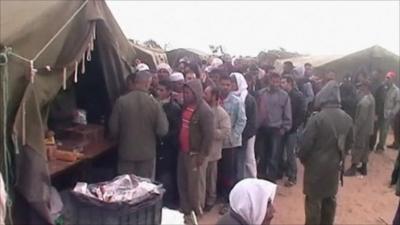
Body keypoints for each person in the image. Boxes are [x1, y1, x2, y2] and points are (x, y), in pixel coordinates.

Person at [298, 80, 353, 225]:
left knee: (313, 203)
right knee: (330, 200)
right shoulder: (347, 118)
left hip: (315, 167)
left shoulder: (317, 118)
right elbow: (349, 143)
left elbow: (305, 145)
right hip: (334, 166)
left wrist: (304, 160)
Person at [109, 71, 169, 179]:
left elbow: (113, 129)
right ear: (147, 83)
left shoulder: (121, 101)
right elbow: (162, 130)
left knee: (125, 189)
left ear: (135, 82)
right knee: (145, 190)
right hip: (147, 156)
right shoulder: (154, 104)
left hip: (126, 153)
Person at [177, 79, 214, 224]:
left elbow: (209, 136)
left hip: (195, 154)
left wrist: (202, 155)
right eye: (184, 92)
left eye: (188, 92)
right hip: (183, 152)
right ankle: (186, 210)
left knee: (196, 187)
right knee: (183, 182)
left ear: (196, 93)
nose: (185, 95)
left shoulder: (205, 111)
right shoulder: (185, 107)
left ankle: (197, 213)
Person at [218, 74, 247, 215]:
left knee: (228, 172)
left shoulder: (236, 101)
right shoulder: (214, 99)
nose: (225, 87)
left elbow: (242, 120)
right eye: (222, 84)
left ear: (232, 86)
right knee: (217, 170)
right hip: (216, 142)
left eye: (227, 85)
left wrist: (233, 137)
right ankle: (219, 196)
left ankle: (227, 200)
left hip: (230, 143)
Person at [257, 72, 292, 182]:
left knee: (274, 156)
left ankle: (271, 180)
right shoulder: (261, 94)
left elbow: (287, 113)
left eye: (277, 82)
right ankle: (261, 178)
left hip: (276, 130)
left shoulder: (284, 96)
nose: (275, 84)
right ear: (268, 80)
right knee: (262, 155)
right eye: (273, 81)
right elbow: (256, 111)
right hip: (262, 129)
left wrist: (284, 128)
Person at [203, 85, 231, 212]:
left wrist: (210, 132)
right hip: (201, 151)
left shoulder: (221, 113)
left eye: (207, 94)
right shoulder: (202, 109)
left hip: (213, 152)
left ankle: (210, 200)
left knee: (210, 179)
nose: (204, 95)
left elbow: (225, 132)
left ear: (214, 97)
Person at [155, 80, 181, 207]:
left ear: (169, 92)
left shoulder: (173, 108)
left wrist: (163, 136)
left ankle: (169, 202)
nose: (159, 92)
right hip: (159, 147)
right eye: (158, 89)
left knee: (167, 175)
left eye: (162, 90)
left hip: (168, 147)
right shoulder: (156, 104)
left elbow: (176, 130)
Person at [344, 81, 375, 176]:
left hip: (362, 129)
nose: (360, 88)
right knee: (365, 148)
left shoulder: (365, 101)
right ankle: (364, 167)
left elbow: (361, 118)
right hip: (368, 128)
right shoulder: (371, 97)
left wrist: (355, 130)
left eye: (361, 86)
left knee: (357, 147)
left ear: (366, 87)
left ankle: (353, 167)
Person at [230, 72, 258, 180]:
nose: (232, 85)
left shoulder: (248, 99)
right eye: (231, 82)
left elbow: (252, 121)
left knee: (249, 158)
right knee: (237, 160)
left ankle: (252, 179)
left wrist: (244, 134)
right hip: (235, 134)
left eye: (234, 83)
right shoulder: (231, 97)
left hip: (247, 134)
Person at [281, 76, 306, 187]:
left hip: (292, 129)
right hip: (283, 128)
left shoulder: (298, 96)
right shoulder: (283, 95)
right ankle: (284, 171)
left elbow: (301, 114)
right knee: (283, 152)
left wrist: (293, 127)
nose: (281, 84)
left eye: (283, 82)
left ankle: (292, 176)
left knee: (291, 153)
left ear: (289, 83)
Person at [376, 71, 400, 153]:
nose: (387, 79)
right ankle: (372, 144)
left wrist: (393, 112)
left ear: (393, 79)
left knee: (384, 131)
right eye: (386, 77)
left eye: (389, 78)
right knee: (376, 129)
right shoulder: (382, 87)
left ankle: (380, 146)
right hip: (379, 112)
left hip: (387, 113)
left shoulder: (396, 90)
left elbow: (398, 103)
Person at [369, 69, 387, 151]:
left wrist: (377, 113)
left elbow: (381, 101)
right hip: (369, 108)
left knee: (374, 129)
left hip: (376, 110)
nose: (374, 75)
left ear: (379, 75)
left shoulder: (381, 86)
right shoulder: (371, 83)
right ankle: (368, 143)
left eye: (376, 74)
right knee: (369, 128)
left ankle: (371, 145)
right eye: (374, 73)